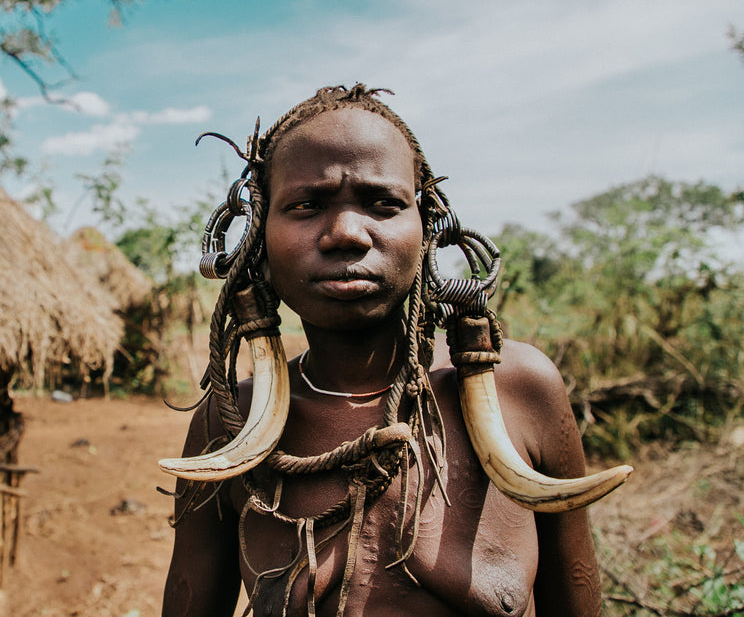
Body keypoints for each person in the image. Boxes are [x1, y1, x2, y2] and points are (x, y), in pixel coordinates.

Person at [161, 85, 608, 616]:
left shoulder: (522, 388)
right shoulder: (229, 423)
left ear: (427, 229)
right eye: (305, 205)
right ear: (255, 239)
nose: (347, 233)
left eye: (382, 203)